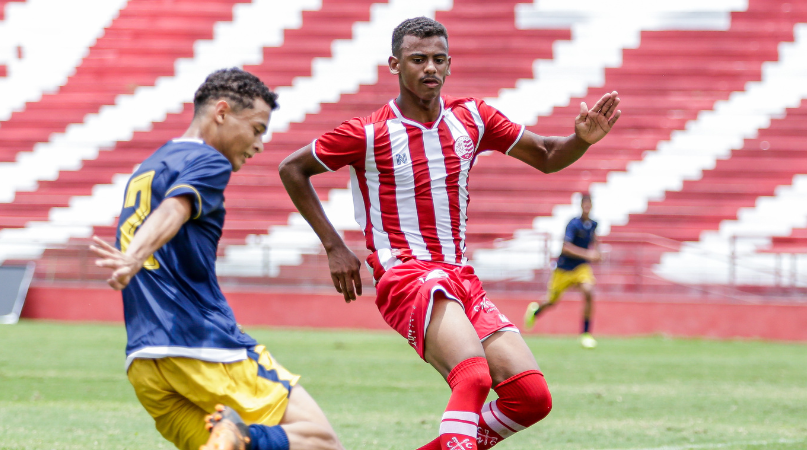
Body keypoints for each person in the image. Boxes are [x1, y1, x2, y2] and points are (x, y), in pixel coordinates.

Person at [279, 17, 620, 450]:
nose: (430, 69)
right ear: (394, 64)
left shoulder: (472, 117)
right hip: (406, 274)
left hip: (459, 276)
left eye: (439, 60)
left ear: (450, 65)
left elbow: (549, 156)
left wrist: (581, 139)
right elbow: (292, 168)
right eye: (417, 59)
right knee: (473, 375)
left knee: (530, 398)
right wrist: (334, 246)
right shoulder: (368, 132)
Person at [91, 69, 343, 450]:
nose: (259, 144)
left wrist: (133, 256)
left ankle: (236, 438)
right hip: (203, 345)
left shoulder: (153, 163)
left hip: (145, 361)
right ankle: (241, 435)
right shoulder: (210, 161)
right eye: (257, 129)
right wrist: (134, 257)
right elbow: (174, 210)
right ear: (221, 112)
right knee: (319, 440)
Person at [524, 194, 601, 349]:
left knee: (589, 291)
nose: (587, 208)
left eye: (589, 205)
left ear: (591, 206)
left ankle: (585, 334)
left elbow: (595, 240)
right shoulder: (573, 224)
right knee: (551, 301)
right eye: (584, 205)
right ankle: (536, 310)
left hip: (581, 268)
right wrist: (588, 254)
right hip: (564, 269)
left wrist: (598, 253)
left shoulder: (593, 224)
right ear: (581, 206)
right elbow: (565, 247)